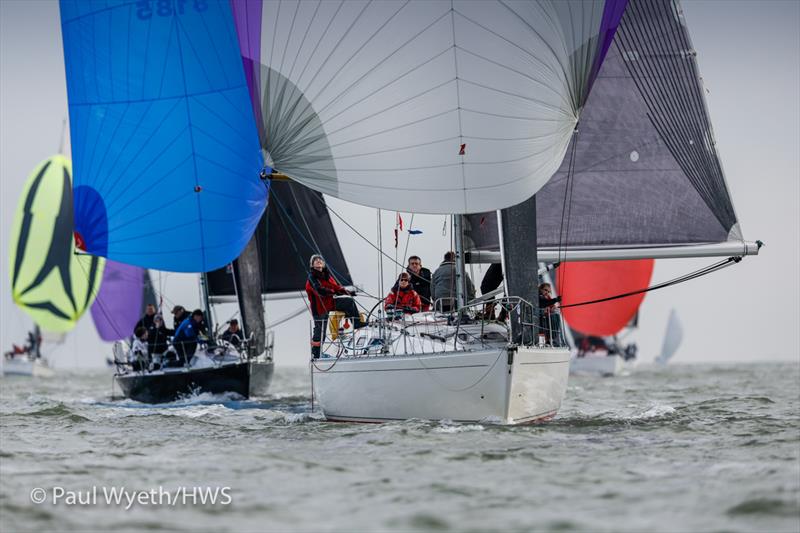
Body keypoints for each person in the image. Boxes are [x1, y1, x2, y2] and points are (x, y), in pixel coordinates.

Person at [305, 254, 364, 358]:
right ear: (312, 265)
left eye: (320, 260)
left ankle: (357, 323)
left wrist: (348, 292)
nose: (318, 261)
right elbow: (319, 291)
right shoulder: (312, 278)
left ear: (323, 264)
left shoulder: (326, 275)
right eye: (316, 260)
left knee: (349, 302)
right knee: (320, 331)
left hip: (329, 304)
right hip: (319, 309)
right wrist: (332, 292)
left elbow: (336, 287)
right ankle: (316, 353)